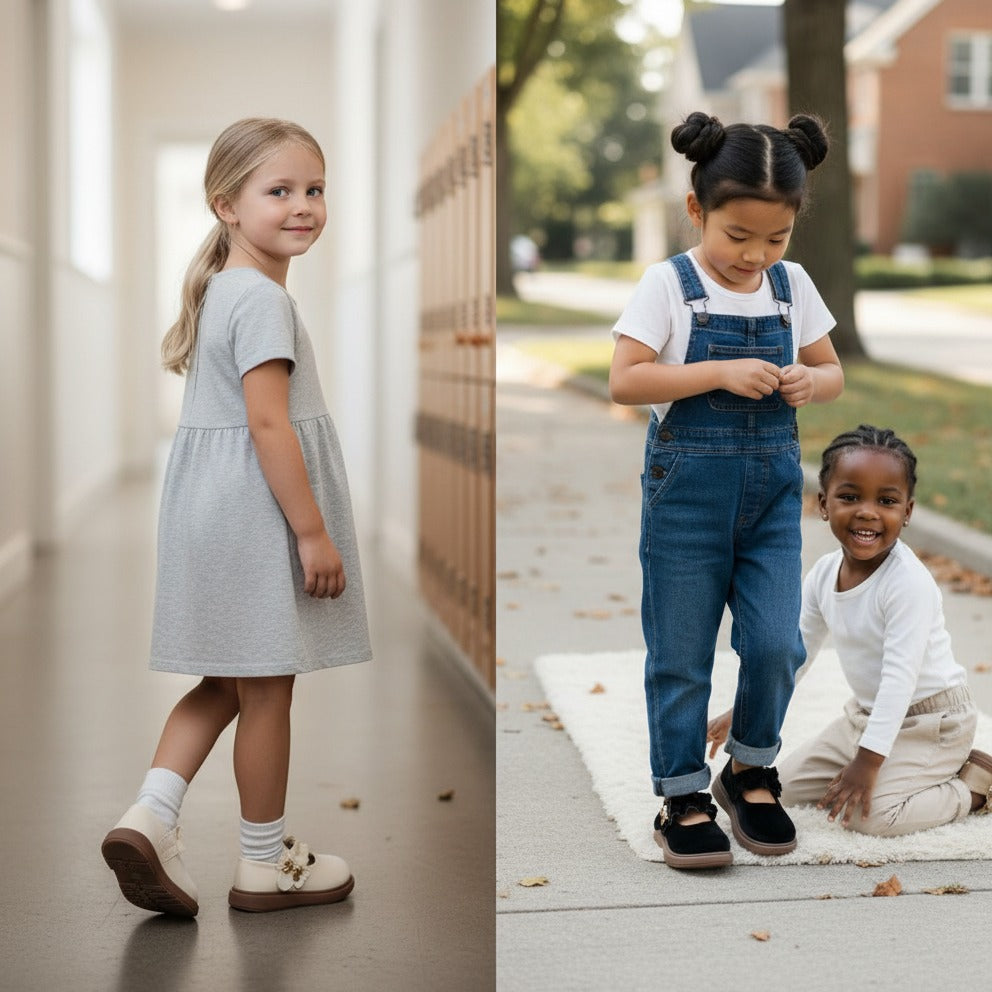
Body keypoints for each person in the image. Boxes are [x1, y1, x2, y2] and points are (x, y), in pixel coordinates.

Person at [101, 118, 372, 916]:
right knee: (267, 693)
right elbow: (268, 424)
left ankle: (148, 814)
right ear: (226, 205)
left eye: (314, 189)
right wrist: (313, 532)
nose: (303, 206)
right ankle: (263, 863)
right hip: (258, 513)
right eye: (279, 191)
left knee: (225, 679)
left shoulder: (227, 285)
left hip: (210, 510)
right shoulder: (260, 301)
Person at [609, 111, 844, 869]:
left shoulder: (792, 286)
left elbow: (833, 369)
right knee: (680, 653)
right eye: (737, 236)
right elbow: (626, 378)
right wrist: (715, 371)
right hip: (686, 500)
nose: (755, 256)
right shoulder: (668, 285)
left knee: (777, 641)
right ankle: (681, 794)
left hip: (771, 497)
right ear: (697, 209)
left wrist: (813, 381)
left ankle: (749, 768)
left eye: (774, 239)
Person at [710, 425, 992, 835]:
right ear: (824, 504)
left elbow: (900, 680)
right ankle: (879, 763)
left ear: (907, 512)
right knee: (775, 790)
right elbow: (794, 654)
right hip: (866, 717)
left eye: (887, 501)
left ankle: (973, 788)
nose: (867, 511)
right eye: (849, 496)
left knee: (868, 816)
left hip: (933, 723)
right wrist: (746, 710)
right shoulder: (825, 574)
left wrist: (868, 762)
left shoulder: (907, 583)